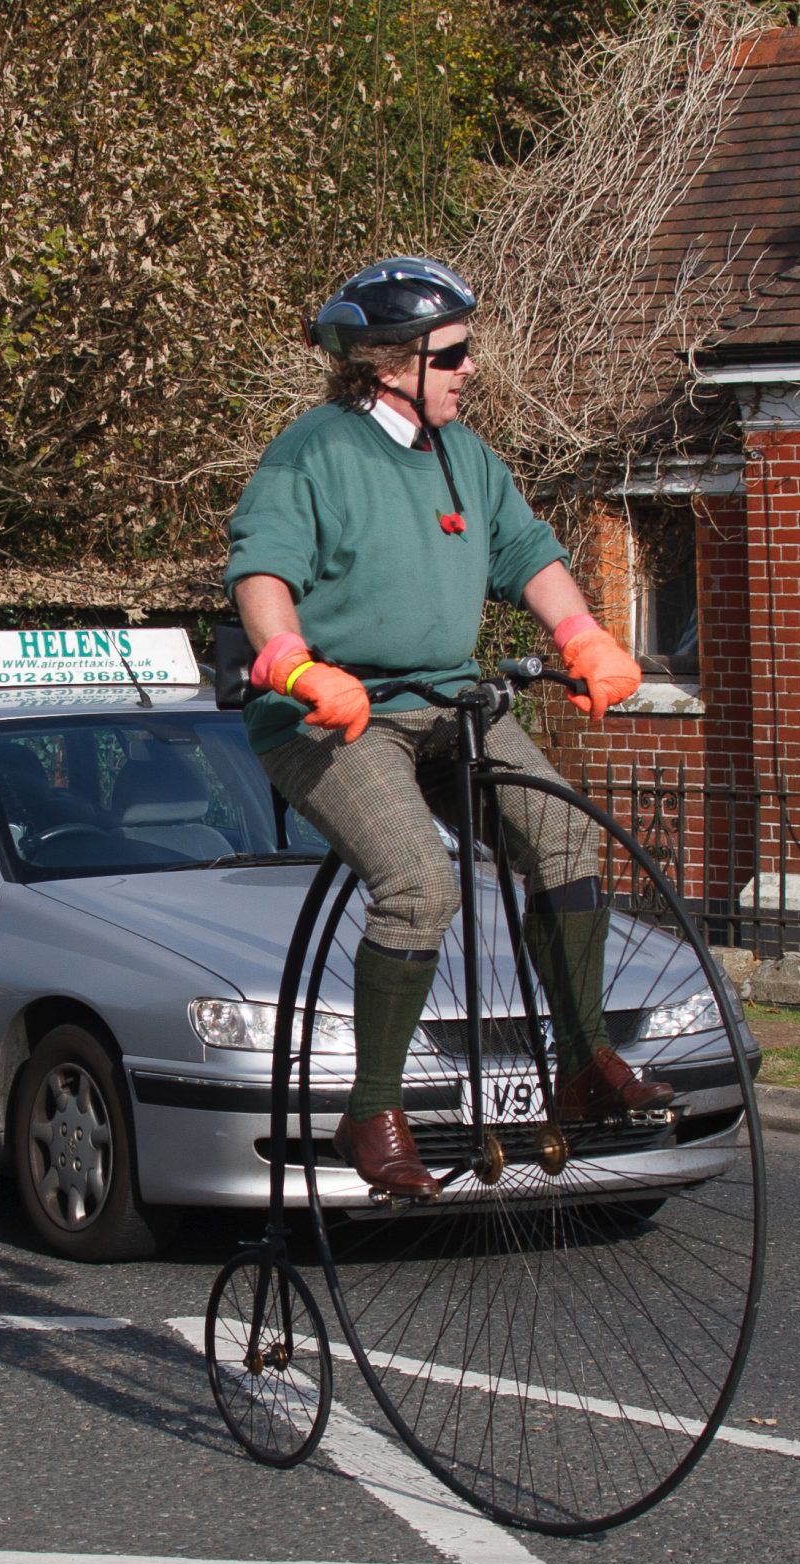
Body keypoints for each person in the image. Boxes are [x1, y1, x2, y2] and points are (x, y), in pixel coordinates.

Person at [223, 256, 671, 1203]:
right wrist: (295, 665)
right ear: (391, 362)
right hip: (335, 717)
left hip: (447, 699)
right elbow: (261, 577)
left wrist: (584, 633)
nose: (471, 368)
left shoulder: (462, 452)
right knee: (419, 883)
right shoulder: (313, 453)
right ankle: (372, 1110)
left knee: (562, 831)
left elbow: (527, 552)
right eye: (455, 352)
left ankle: (584, 1060)